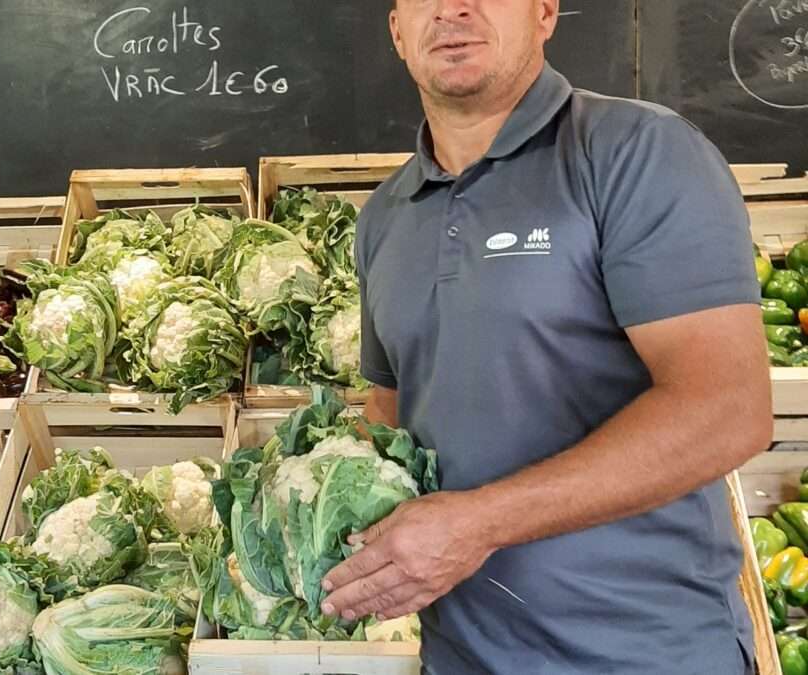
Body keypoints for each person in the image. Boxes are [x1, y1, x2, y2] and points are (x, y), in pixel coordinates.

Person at [318, 1, 773, 673]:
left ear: (545, 12)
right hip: (459, 656)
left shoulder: (636, 152)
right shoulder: (384, 217)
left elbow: (728, 410)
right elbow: (388, 417)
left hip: (645, 653)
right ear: (396, 33)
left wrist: (479, 523)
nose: (453, 9)